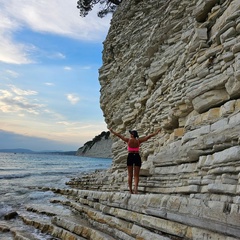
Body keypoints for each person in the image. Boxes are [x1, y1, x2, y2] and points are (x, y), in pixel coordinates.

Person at [109, 128, 161, 194]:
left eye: (131, 133)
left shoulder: (128, 140)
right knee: (136, 175)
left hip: (130, 156)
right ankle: (136, 189)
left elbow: (119, 136)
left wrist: (112, 131)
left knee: (130, 175)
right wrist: (156, 133)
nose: (130, 134)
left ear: (133, 135)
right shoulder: (138, 141)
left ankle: (131, 190)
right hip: (136, 156)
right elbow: (148, 137)